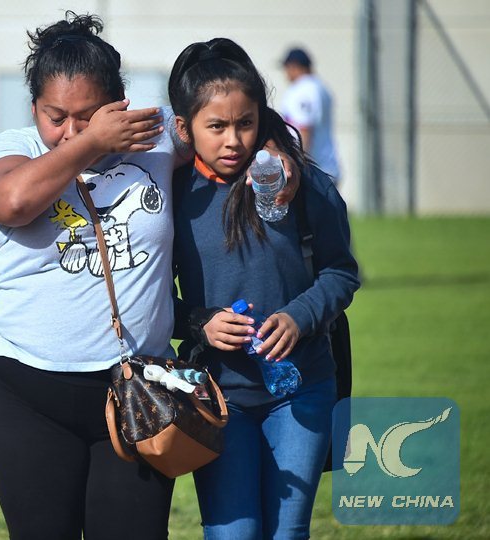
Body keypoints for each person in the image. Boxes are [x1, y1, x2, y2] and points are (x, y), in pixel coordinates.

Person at [0, 13, 188, 539]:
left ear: (118, 104)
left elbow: (230, 119)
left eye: (88, 117)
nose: (69, 130)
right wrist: (92, 142)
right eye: (56, 117)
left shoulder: (153, 135)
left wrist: (277, 151)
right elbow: (11, 202)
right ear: (34, 110)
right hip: (25, 388)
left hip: (138, 391)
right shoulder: (15, 148)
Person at [168, 38, 360, 539]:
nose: (233, 140)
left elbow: (341, 272)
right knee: (234, 533)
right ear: (185, 128)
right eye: (216, 126)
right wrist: (200, 323)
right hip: (215, 397)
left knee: (287, 532)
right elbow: (150, 297)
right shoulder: (168, 196)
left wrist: (300, 316)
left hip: (302, 389)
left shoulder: (301, 183)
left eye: (246, 123)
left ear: (262, 116)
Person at [280, 46, 341, 182]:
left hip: (314, 170)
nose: (286, 73)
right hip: (325, 167)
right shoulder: (320, 87)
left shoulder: (303, 90)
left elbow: (304, 130)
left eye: (287, 68)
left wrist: (299, 167)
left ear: (294, 66)